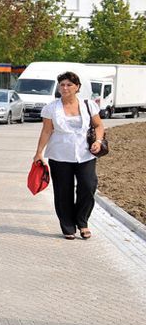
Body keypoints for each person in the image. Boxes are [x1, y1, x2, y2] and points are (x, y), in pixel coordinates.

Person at [33, 71, 105, 240]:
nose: (64, 88)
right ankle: (68, 226)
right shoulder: (51, 108)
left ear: (77, 87)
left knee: (88, 186)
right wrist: (38, 153)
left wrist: (99, 141)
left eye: (69, 85)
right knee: (63, 192)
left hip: (85, 154)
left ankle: (82, 222)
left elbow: (99, 126)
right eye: (62, 85)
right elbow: (46, 131)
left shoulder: (89, 105)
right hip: (59, 155)